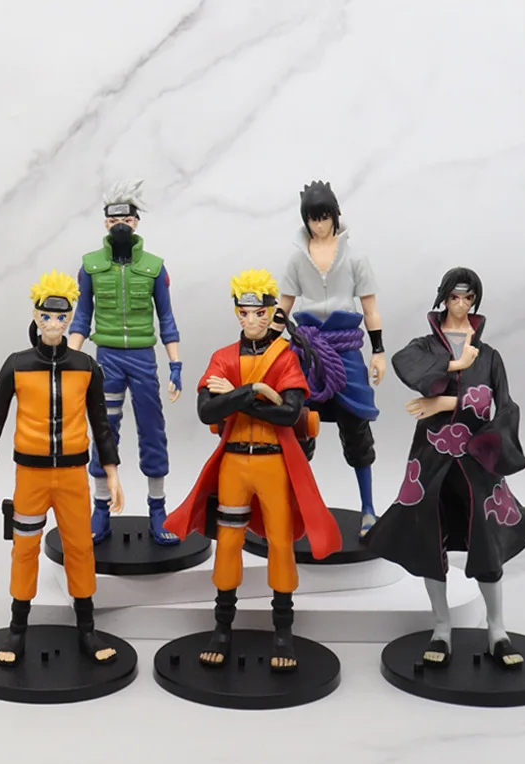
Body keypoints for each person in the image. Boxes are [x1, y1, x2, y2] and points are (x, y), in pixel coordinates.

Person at [364, 267, 525, 668]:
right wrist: (453, 364)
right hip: (431, 455)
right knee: (430, 537)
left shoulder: (490, 356)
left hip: (476, 457)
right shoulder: (426, 346)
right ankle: (441, 627)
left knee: (487, 538)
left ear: (474, 300)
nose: (461, 304)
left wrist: (447, 402)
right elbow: (406, 366)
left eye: (468, 297)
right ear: (444, 298)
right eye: (454, 296)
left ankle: (497, 629)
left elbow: (495, 405)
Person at [164, 269, 341, 671]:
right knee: (228, 542)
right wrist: (255, 392)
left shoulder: (285, 357)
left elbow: (289, 413)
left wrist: (236, 397)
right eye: (245, 312)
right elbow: (207, 409)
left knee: (280, 542)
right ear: (237, 313)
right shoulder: (223, 357)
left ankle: (283, 633)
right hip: (234, 464)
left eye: (260, 312)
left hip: (273, 462)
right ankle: (221, 628)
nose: (253, 319)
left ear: (271, 312)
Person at [0, 271, 125, 666]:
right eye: (46, 316)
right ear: (36, 316)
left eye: (61, 317)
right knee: (24, 549)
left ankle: (87, 629)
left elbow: (101, 423)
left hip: (73, 475)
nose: (54, 324)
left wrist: (112, 471)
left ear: (70, 318)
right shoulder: (17, 365)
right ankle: (16, 631)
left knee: (80, 548)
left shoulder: (86, 366)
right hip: (31, 476)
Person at [68, 179, 182, 545]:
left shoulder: (154, 267)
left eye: (128, 219)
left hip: (143, 359)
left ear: (136, 222)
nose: (121, 225)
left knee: (152, 429)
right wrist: (69, 358)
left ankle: (158, 508)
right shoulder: (90, 266)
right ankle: (100, 508)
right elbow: (81, 317)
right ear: (105, 222)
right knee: (104, 430)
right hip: (107, 360)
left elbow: (166, 318)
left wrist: (175, 364)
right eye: (115, 219)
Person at [276, 180, 385, 537]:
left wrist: (378, 351)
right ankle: (294, 505)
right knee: (298, 427)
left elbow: (370, 308)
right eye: (312, 218)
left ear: (335, 215)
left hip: (345, 349)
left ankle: (368, 508)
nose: (319, 225)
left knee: (357, 429)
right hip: (307, 349)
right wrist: (267, 345)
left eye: (324, 217)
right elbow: (283, 306)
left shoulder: (354, 258)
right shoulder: (297, 259)